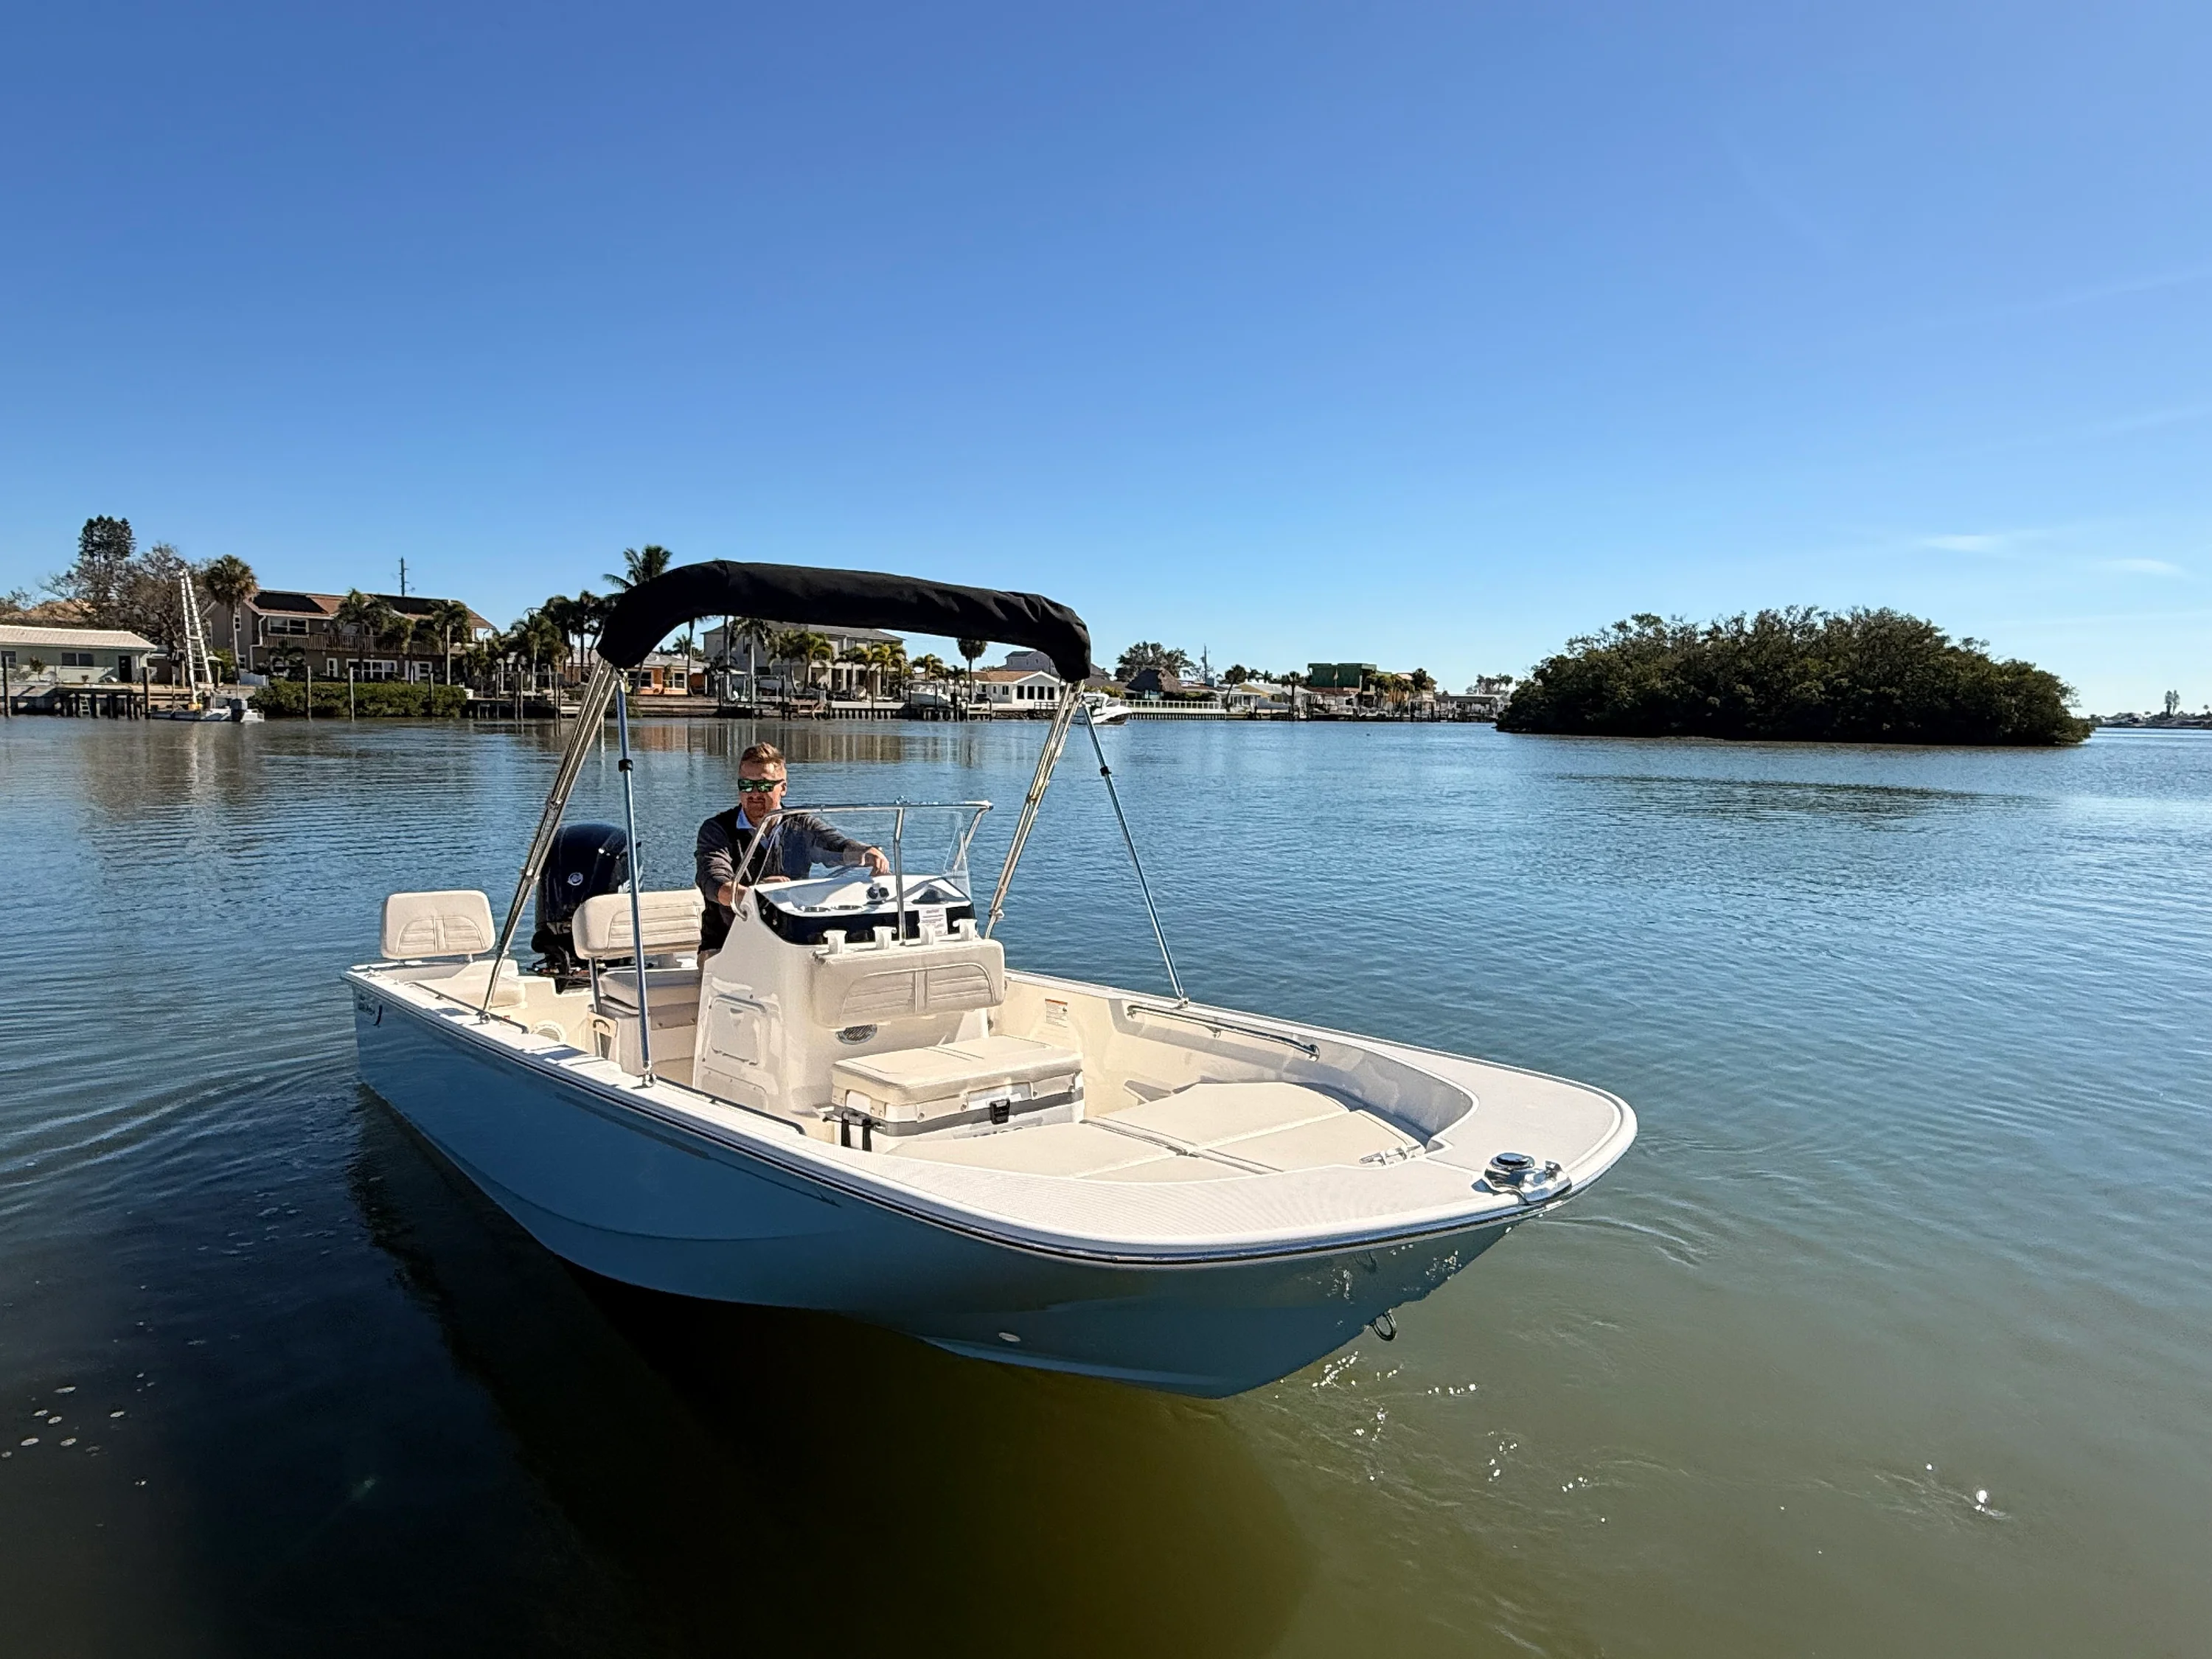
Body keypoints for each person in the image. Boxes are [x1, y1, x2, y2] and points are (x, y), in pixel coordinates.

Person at [694, 742, 888, 956]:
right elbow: (713, 880)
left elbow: (834, 846)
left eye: (764, 786)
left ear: (783, 788)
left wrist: (866, 853)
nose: (754, 794)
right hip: (726, 946)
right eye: (746, 785)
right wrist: (757, 895)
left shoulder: (801, 825)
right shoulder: (717, 829)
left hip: (790, 943)